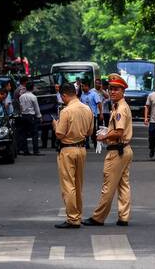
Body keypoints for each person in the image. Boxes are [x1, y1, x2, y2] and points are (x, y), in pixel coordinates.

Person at [83, 73, 133, 227]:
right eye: (110, 89)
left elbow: (118, 132)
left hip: (117, 151)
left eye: (116, 89)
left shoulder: (120, 109)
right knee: (123, 185)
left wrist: (103, 137)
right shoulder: (119, 106)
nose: (112, 92)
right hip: (125, 149)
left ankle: (98, 217)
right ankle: (124, 217)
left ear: (123, 91)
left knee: (108, 185)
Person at [52, 82, 94, 229]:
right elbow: (90, 132)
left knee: (68, 185)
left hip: (67, 150)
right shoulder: (87, 109)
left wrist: (55, 124)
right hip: (81, 149)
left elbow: (59, 133)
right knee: (78, 184)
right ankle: (78, 214)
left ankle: (73, 218)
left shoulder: (66, 111)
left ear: (64, 95)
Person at [18, 79, 43, 155]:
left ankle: (25, 151)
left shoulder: (21, 97)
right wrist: (39, 116)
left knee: (24, 134)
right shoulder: (33, 97)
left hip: (23, 116)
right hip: (31, 116)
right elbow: (36, 108)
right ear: (32, 88)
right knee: (34, 133)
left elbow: (21, 107)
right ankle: (35, 150)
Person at [80, 80, 103, 149]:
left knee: (93, 130)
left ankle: (96, 144)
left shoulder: (94, 94)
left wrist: (101, 113)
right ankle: (86, 144)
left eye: (83, 86)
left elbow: (99, 103)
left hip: (92, 115)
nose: (82, 88)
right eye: (81, 86)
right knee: (85, 130)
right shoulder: (82, 95)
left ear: (87, 87)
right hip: (84, 116)